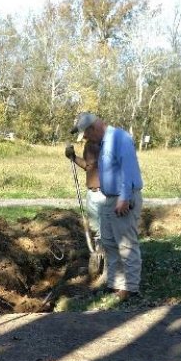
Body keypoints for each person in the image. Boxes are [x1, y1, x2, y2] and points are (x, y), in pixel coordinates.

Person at [65, 112, 143, 300]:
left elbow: (128, 169)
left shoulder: (119, 138)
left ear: (93, 128)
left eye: (86, 134)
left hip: (122, 198)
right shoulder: (103, 142)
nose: (85, 138)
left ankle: (131, 288)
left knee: (126, 243)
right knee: (109, 242)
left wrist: (123, 198)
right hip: (109, 198)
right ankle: (115, 284)